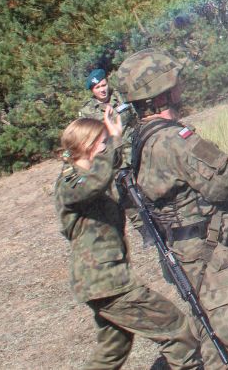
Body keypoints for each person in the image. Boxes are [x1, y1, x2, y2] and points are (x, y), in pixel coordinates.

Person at [118, 49, 228, 369]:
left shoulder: (139, 139)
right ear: (163, 92)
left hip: (184, 254)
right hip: (207, 259)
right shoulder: (174, 140)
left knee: (214, 342)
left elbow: (193, 204)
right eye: (176, 81)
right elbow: (221, 181)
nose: (182, 87)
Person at [53, 113, 201, 370]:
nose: (107, 148)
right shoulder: (70, 182)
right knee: (176, 330)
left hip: (105, 281)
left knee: (113, 349)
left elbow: (107, 172)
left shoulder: (90, 176)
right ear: (86, 145)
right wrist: (115, 142)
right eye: (103, 143)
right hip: (106, 283)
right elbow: (95, 183)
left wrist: (116, 141)